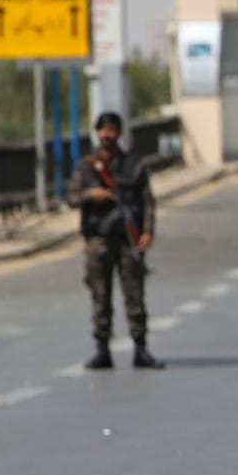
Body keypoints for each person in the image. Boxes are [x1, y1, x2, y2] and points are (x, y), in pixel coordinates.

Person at [69, 112, 163, 370]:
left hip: (127, 240)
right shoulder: (87, 166)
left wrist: (147, 231)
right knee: (100, 295)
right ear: (97, 133)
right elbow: (71, 197)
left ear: (119, 133)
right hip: (98, 239)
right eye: (103, 130)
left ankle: (141, 348)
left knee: (135, 295)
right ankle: (102, 349)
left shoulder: (133, 166)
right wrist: (92, 194)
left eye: (112, 130)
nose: (107, 134)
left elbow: (147, 201)